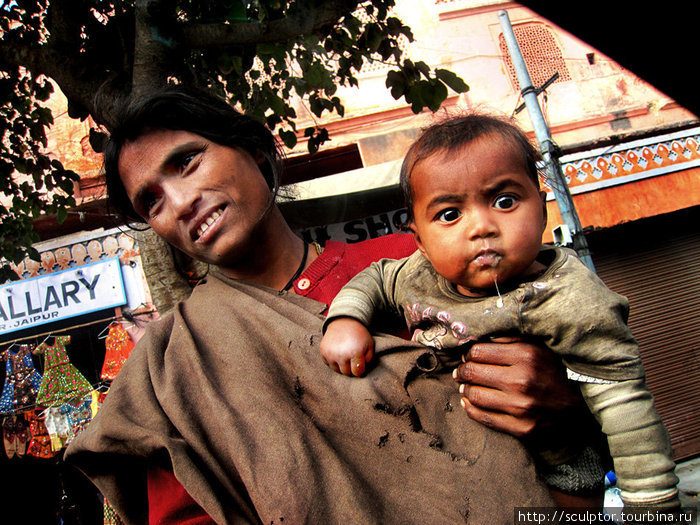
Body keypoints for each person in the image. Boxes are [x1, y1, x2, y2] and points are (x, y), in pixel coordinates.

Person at [65, 87, 607, 524]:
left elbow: (589, 464)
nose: (180, 203)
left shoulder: (418, 267)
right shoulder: (174, 367)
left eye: (186, 162)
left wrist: (562, 411)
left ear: (255, 151)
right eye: (151, 201)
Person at [320, 113, 680, 509]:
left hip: (556, 469)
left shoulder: (569, 297)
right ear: (420, 240)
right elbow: (376, 278)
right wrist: (346, 319)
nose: (482, 227)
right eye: (449, 214)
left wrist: (652, 504)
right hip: (451, 461)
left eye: (504, 201)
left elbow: (625, 405)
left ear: (542, 210)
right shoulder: (417, 275)